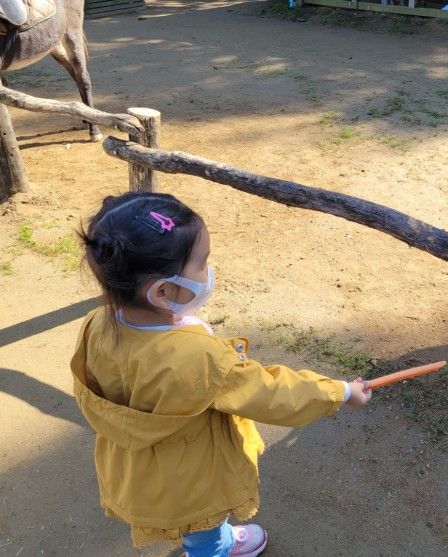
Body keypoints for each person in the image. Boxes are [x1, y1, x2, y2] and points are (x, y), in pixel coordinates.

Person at [70, 191, 372, 557]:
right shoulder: (201, 359)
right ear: (162, 291)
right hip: (190, 476)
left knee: (188, 521)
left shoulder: (96, 325)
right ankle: (216, 547)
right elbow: (271, 391)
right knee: (202, 530)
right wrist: (339, 392)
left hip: (139, 468)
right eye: (202, 262)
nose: (208, 271)